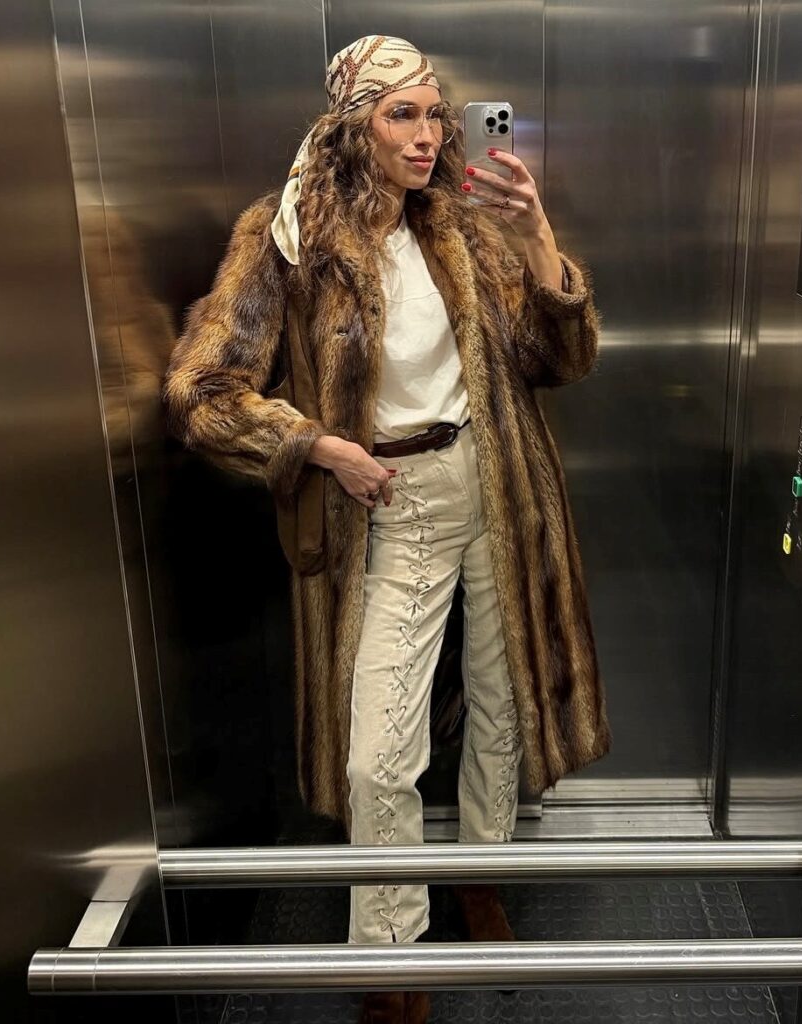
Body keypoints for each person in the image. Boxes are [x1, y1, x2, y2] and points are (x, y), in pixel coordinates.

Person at [163, 34, 612, 1024]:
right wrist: (317, 446)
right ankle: (389, 947)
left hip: (498, 485)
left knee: (501, 704)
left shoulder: (466, 225)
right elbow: (204, 391)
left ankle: (483, 877)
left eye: (435, 113)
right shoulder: (287, 236)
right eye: (400, 114)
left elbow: (560, 359)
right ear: (350, 126)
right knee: (379, 752)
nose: (427, 134)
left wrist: (538, 238)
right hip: (386, 503)